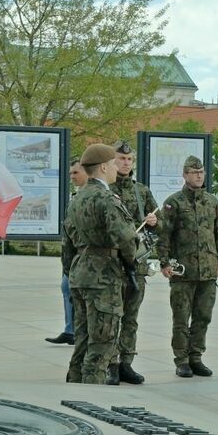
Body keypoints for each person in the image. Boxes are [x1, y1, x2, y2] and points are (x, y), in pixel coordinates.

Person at [64, 144, 134, 385]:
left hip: (80, 274)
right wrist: (133, 263)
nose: (118, 168)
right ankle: (90, 399)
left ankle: (72, 389)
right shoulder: (106, 198)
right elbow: (125, 238)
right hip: (103, 278)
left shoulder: (77, 198)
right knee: (102, 345)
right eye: (115, 163)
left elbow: (67, 244)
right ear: (104, 167)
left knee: (82, 342)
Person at [156, 156, 218, 378]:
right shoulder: (174, 203)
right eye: (193, 172)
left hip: (207, 270)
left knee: (203, 316)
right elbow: (164, 235)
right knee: (181, 318)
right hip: (183, 271)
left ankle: (196, 357)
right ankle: (182, 360)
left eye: (201, 172)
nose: (198, 175)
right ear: (185, 175)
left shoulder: (211, 201)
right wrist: (164, 262)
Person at [109, 140, 158, 385]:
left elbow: (160, 226)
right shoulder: (104, 189)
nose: (125, 163)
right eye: (120, 158)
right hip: (112, 266)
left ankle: (126, 362)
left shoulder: (142, 191)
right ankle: (110, 364)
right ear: (112, 160)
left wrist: (153, 221)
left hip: (136, 267)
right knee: (111, 317)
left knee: (130, 317)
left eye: (129, 159)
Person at [46, 161, 88, 347]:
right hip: (71, 256)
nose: (72, 176)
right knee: (66, 288)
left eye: (75, 172)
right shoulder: (76, 196)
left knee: (73, 290)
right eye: (70, 173)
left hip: (85, 257)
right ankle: (70, 330)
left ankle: (77, 331)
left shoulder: (95, 196)